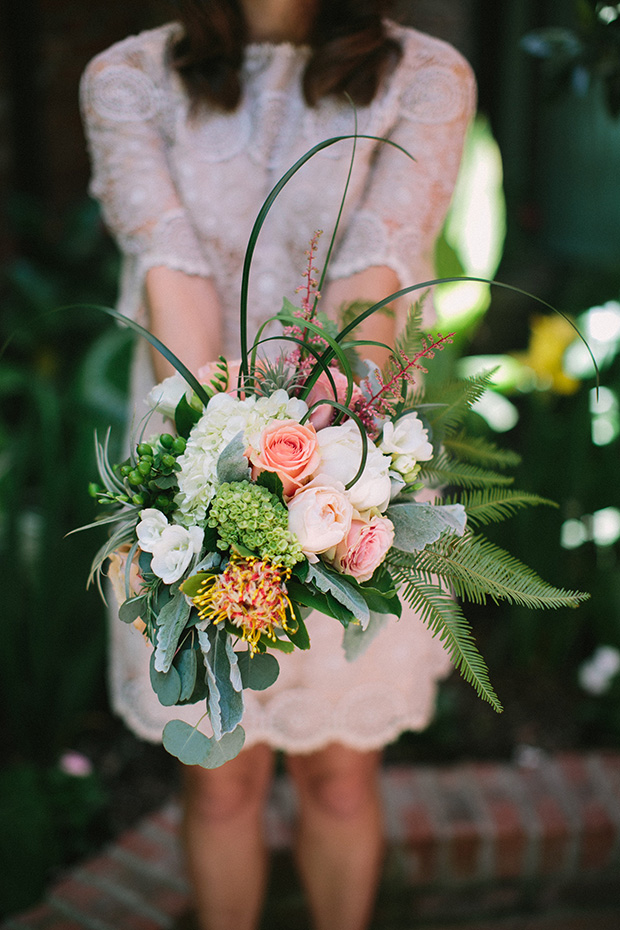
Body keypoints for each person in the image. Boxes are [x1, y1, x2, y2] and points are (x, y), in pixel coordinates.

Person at [80, 2, 476, 928]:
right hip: (185, 476)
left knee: (340, 780)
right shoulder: (127, 80)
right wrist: (220, 488)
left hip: (352, 467)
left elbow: (369, 284)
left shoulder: (427, 76)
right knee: (219, 783)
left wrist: (312, 478)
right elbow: (168, 277)